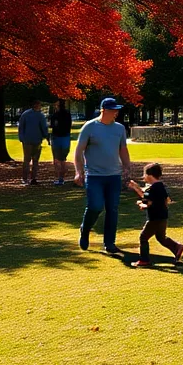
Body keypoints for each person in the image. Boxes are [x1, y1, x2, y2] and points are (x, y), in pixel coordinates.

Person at [74, 97, 132, 254]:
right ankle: (85, 230)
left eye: (117, 110)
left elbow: (123, 149)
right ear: (104, 110)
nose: (116, 112)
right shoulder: (90, 127)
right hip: (94, 176)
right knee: (95, 206)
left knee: (112, 209)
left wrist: (127, 166)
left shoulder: (119, 128)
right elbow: (79, 151)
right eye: (113, 110)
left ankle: (109, 243)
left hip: (114, 175)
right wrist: (79, 172)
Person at [126, 162, 183, 266]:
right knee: (161, 237)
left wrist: (142, 204)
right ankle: (177, 247)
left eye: (144, 174)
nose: (143, 177)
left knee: (143, 237)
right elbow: (164, 200)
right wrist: (136, 188)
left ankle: (144, 260)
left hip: (154, 218)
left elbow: (148, 202)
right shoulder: (160, 186)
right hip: (163, 217)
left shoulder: (152, 189)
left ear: (149, 175)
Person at [17, 101, 50, 185]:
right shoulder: (40, 116)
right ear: (38, 106)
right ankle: (33, 178)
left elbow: (21, 127)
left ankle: (25, 178)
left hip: (26, 140)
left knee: (26, 160)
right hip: (37, 140)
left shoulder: (25, 114)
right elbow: (44, 128)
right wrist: (46, 137)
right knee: (35, 160)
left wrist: (21, 138)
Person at [49, 101, 73, 186]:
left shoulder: (55, 115)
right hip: (66, 138)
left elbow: (53, 126)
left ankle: (58, 178)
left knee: (57, 160)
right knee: (63, 159)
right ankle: (61, 178)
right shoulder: (68, 114)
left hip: (57, 138)